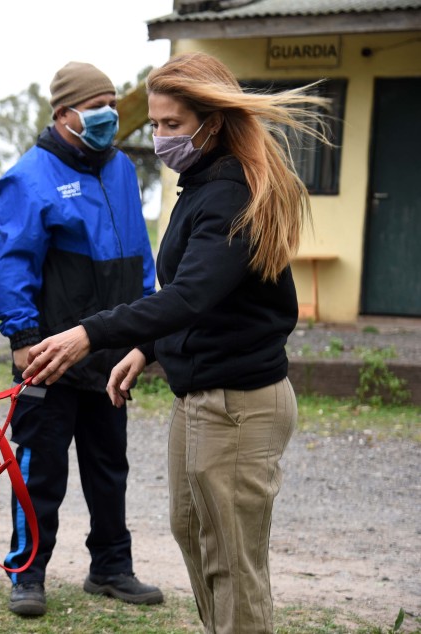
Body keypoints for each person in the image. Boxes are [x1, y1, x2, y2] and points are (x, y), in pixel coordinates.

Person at [21, 51, 331, 633]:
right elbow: (207, 298)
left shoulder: (233, 195)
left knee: (234, 563)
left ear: (212, 123)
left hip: (239, 404)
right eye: (157, 124)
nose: (160, 138)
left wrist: (91, 334)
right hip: (199, 396)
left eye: (172, 125)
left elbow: (189, 295)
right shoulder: (201, 184)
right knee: (196, 537)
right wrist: (151, 349)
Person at [0, 61, 163, 617]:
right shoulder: (29, 177)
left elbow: (140, 258)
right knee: (42, 470)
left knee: (110, 466)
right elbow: (14, 266)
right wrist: (22, 340)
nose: (109, 114)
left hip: (109, 354)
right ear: (65, 114)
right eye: (97, 105)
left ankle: (111, 567)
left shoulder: (121, 172)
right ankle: (28, 573)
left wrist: (144, 333)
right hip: (51, 356)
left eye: (113, 102)